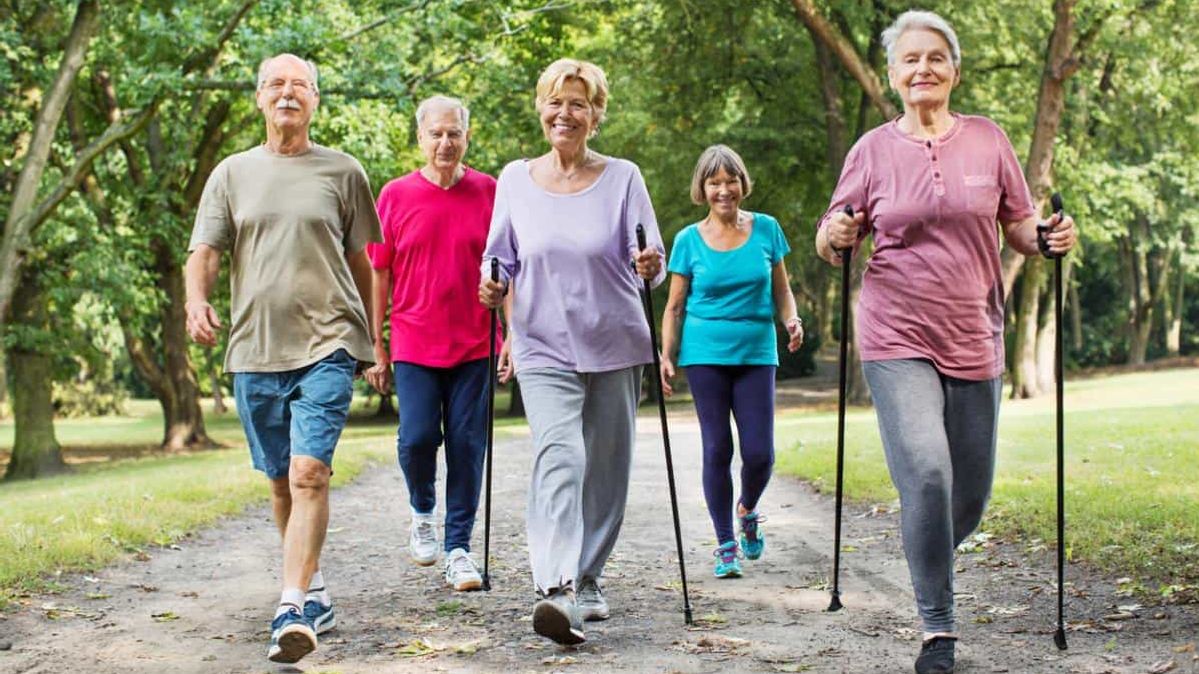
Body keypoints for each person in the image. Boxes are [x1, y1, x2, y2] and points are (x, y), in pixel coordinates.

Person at [814, 11, 1077, 674]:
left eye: (935, 58)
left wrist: (1046, 239)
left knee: (968, 494)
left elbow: (1019, 225)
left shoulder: (987, 141)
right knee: (927, 472)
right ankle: (938, 629)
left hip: (974, 331)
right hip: (894, 329)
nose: (923, 68)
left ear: (953, 71)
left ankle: (920, 543)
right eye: (910, 59)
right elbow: (830, 232)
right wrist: (835, 236)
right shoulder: (870, 151)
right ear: (892, 74)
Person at [184, 53, 381, 664]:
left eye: (300, 85)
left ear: (316, 100)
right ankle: (314, 585)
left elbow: (362, 264)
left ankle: (291, 603)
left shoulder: (344, 171)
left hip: (329, 340)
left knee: (308, 474)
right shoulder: (232, 173)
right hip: (255, 346)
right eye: (276, 83)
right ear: (260, 98)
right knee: (278, 480)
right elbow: (207, 250)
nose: (288, 93)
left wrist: (372, 340)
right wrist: (196, 300)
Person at [477, 58, 665, 646]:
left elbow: (651, 257)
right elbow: (499, 258)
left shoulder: (624, 177)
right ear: (540, 108)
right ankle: (555, 587)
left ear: (596, 115)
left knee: (606, 469)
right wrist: (492, 284)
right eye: (556, 102)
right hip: (541, 342)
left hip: (614, 339)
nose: (566, 113)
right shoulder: (514, 179)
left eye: (578, 104)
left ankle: (588, 577)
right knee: (561, 456)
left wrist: (650, 265)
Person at [363, 95, 499, 592]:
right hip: (415, 340)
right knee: (417, 437)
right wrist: (374, 343)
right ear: (420, 138)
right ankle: (423, 508)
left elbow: (508, 267)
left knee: (467, 444)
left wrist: (511, 332)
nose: (446, 143)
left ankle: (458, 547)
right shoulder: (395, 195)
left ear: (467, 136)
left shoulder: (490, 191)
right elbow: (379, 272)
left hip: (475, 341)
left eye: (454, 133)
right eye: (436, 134)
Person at [659, 144, 803, 579]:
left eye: (731, 180)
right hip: (705, 355)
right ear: (702, 188)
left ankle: (748, 508)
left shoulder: (767, 230)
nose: (724, 189)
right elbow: (674, 306)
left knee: (760, 453)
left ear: (743, 183)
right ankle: (725, 543)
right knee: (717, 447)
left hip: (757, 351)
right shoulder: (687, 239)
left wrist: (791, 319)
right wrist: (667, 355)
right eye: (714, 182)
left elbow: (781, 289)